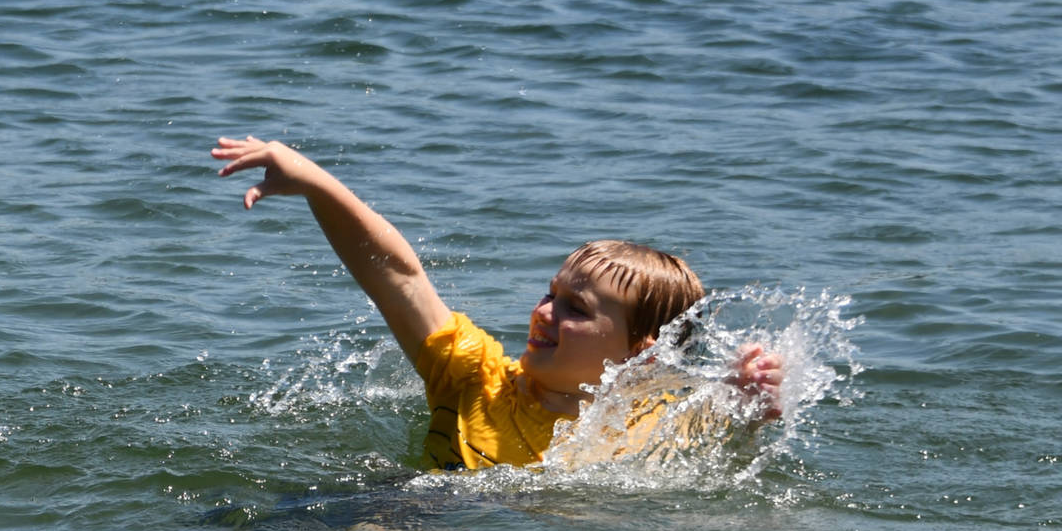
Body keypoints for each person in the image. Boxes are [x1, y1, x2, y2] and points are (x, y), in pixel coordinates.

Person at [213, 136, 781, 470]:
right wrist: (315, 181)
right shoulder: (475, 377)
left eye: (575, 310)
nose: (542, 313)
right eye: (549, 295)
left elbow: (733, 446)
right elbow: (396, 276)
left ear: (642, 351)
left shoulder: (666, 425)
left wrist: (752, 398)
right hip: (407, 527)